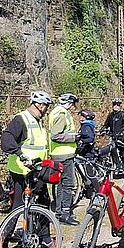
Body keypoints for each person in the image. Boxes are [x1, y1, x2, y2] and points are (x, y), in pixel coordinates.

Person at [0, 91, 55, 248]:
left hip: (37, 171)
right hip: (21, 171)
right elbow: (7, 138)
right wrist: (20, 155)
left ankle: (45, 239)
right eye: (46, 106)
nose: (46, 110)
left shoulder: (38, 121)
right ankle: (3, 246)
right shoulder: (21, 119)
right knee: (17, 207)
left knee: (44, 202)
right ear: (40, 105)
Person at [49, 92, 80, 225]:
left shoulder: (55, 112)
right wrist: (74, 137)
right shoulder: (62, 114)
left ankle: (59, 210)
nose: (73, 107)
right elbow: (56, 135)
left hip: (57, 154)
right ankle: (65, 214)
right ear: (68, 103)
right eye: (72, 104)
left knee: (59, 184)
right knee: (67, 184)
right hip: (64, 155)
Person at [102, 97, 124, 168]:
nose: (116, 106)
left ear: (120, 106)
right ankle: (117, 166)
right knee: (112, 150)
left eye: (117, 105)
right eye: (114, 104)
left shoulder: (123, 115)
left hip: (122, 138)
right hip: (113, 137)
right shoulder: (110, 115)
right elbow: (105, 125)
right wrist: (102, 130)